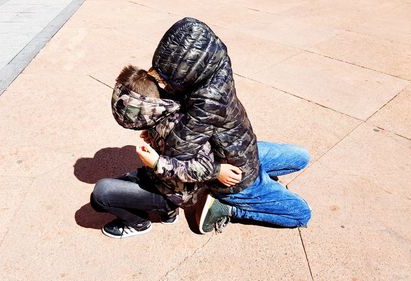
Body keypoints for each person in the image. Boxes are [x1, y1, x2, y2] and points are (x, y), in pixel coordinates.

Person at [136, 17, 312, 233]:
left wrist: (158, 134)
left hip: (246, 151)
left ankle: (260, 187)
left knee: (302, 157)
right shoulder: (216, 63)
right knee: (301, 214)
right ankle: (227, 208)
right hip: (234, 177)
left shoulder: (207, 93)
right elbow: (178, 156)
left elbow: (179, 143)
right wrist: (214, 172)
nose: (165, 84)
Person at [91, 65, 242, 238]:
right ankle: (168, 215)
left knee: (101, 194)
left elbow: (201, 164)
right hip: (161, 180)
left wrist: (157, 162)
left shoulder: (179, 127)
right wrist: (154, 138)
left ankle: (138, 223)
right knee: (110, 189)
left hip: (173, 194)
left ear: (144, 109)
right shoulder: (161, 112)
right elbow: (175, 150)